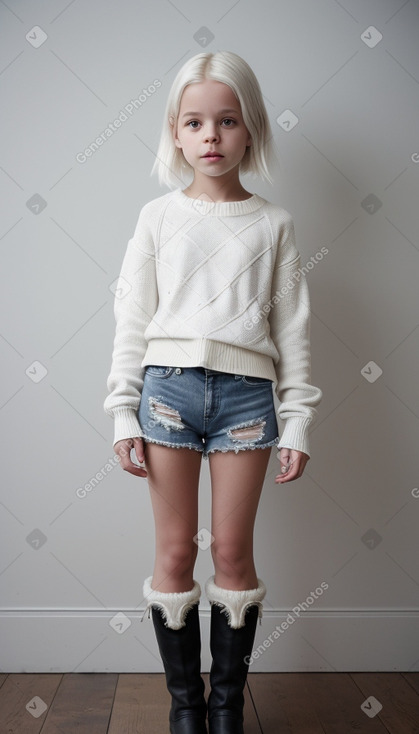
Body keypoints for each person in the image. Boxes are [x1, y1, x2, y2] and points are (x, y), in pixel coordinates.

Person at [104, 50, 323, 734]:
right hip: (165, 395)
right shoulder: (156, 218)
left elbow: (293, 330)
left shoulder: (274, 224)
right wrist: (120, 411)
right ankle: (185, 709)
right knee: (173, 553)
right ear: (174, 132)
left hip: (246, 403)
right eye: (194, 122)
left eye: (226, 122)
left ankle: (226, 707)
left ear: (249, 129)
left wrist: (297, 422)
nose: (210, 137)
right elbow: (131, 319)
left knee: (231, 553)